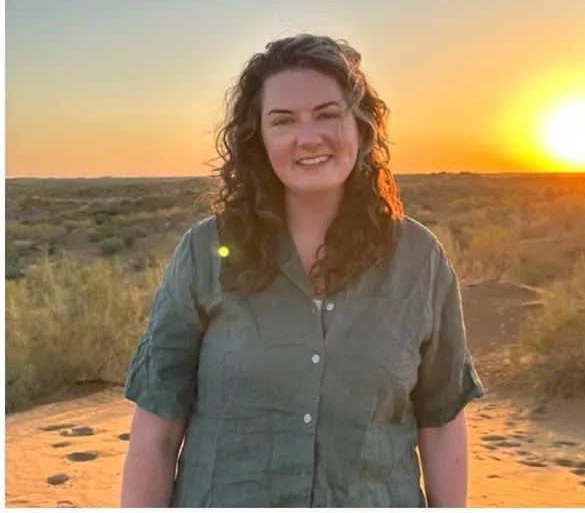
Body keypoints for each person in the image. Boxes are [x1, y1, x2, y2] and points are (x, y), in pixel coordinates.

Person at [119, 35, 481, 507]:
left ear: (362, 126)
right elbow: (156, 432)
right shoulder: (206, 252)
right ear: (259, 139)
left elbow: (441, 420)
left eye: (328, 114)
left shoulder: (418, 259)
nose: (308, 137)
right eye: (283, 120)